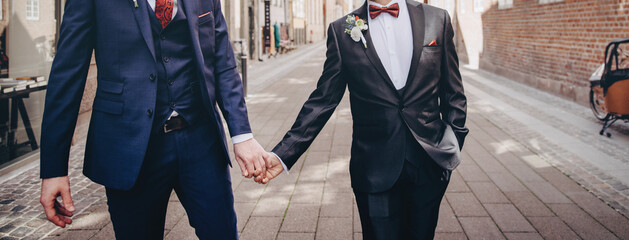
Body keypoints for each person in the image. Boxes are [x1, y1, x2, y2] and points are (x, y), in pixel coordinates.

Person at [38, 0, 268, 239]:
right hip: (129, 145)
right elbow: (68, 73)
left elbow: (222, 61)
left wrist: (242, 135)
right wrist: (54, 169)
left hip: (201, 140)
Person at [259, 0, 468, 239]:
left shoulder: (437, 19)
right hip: (374, 168)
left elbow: (453, 92)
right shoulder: (342, 31)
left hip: (429, 162)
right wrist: (283, 154)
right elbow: (323, 100)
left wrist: (452, 143)